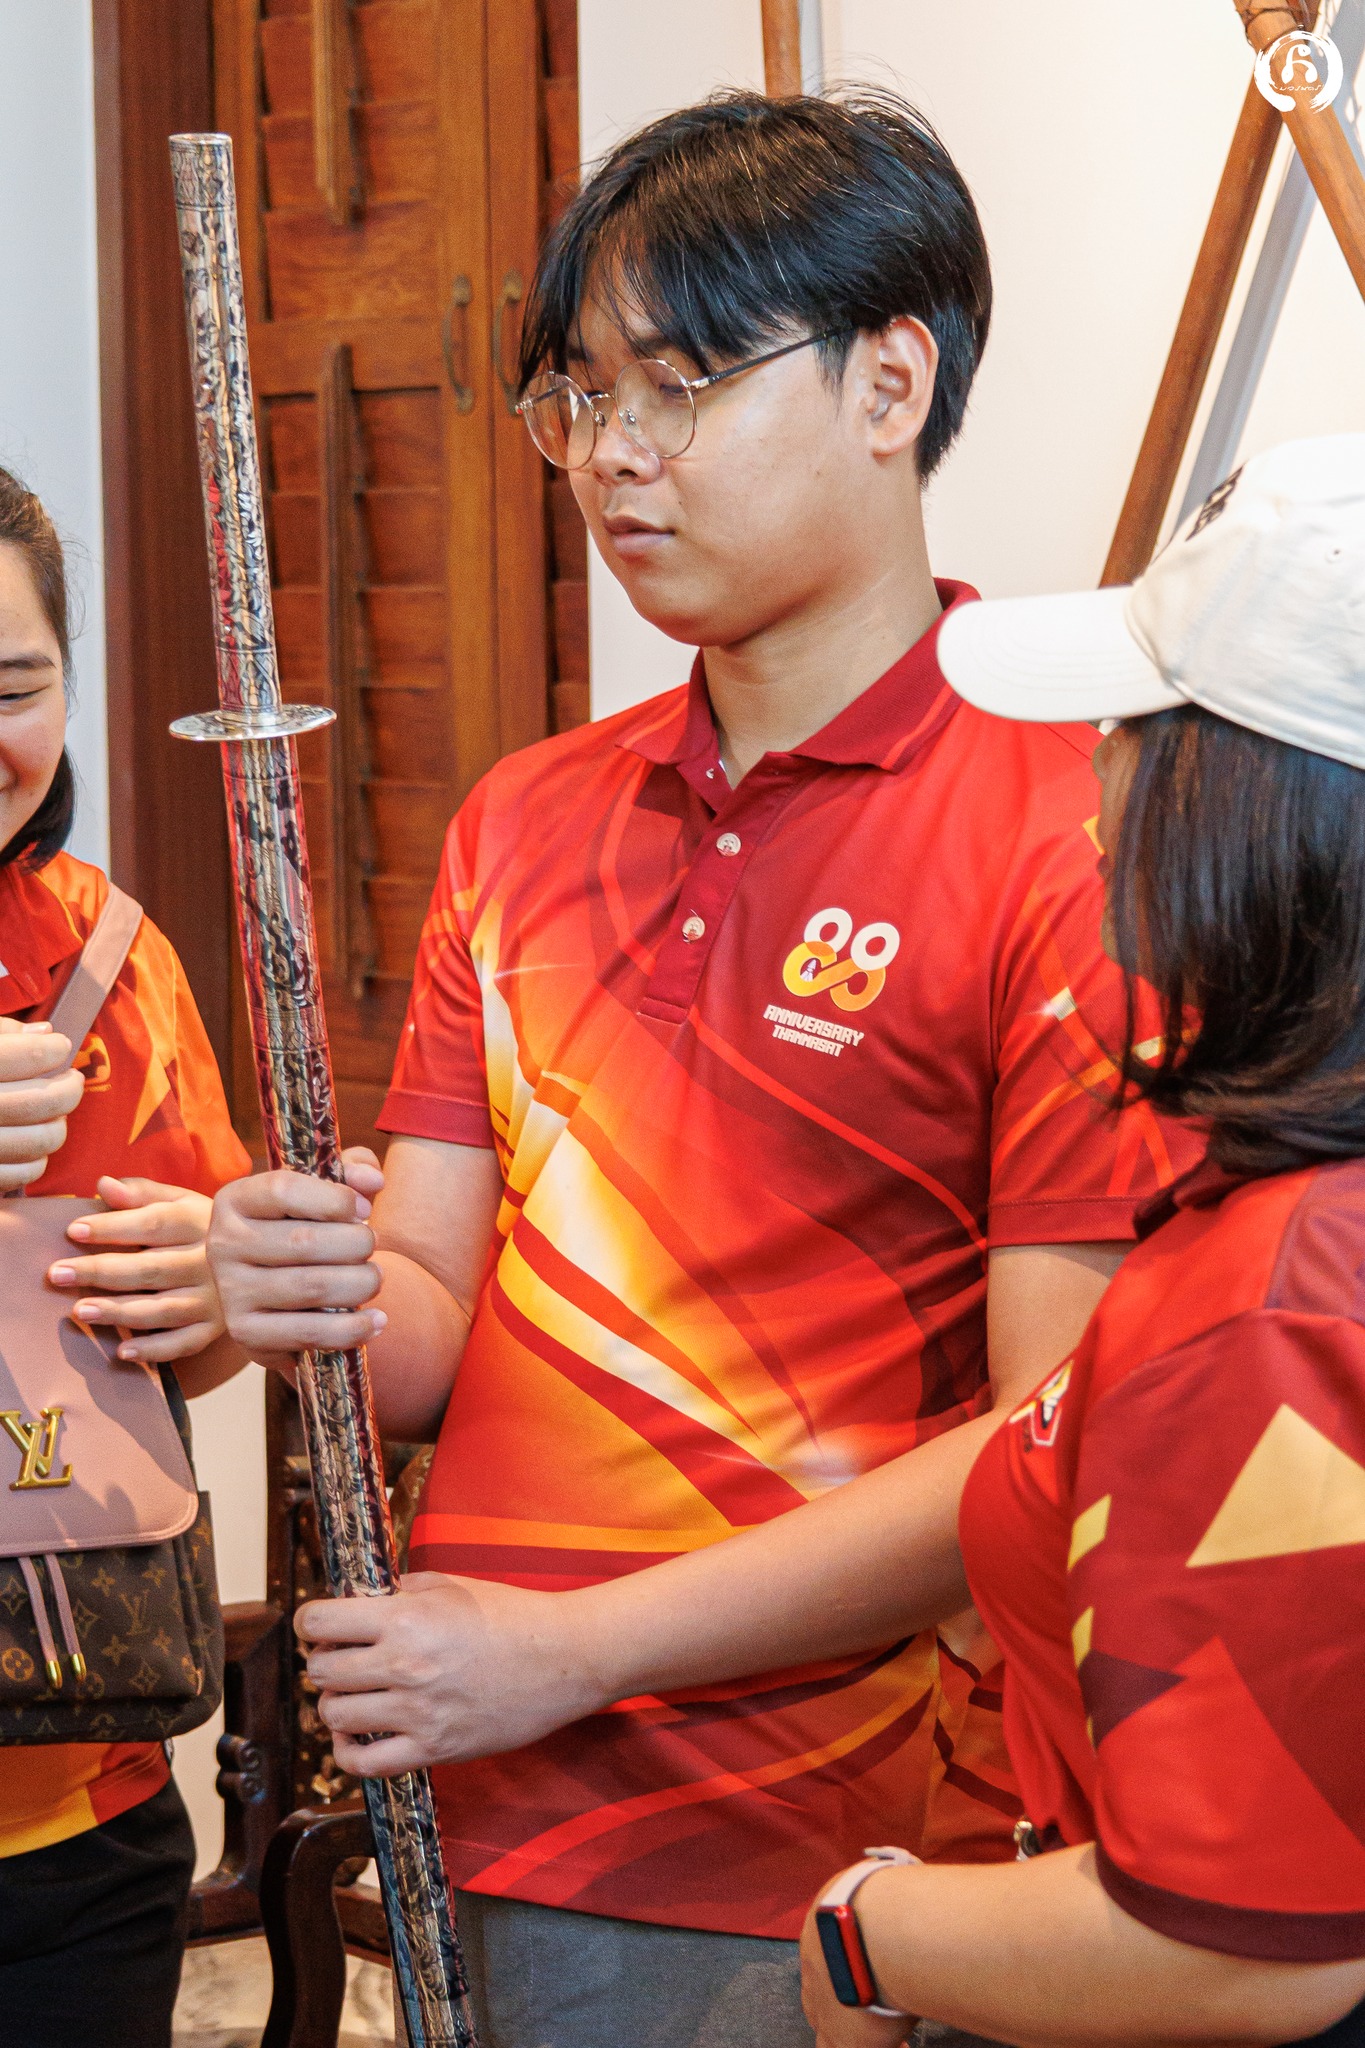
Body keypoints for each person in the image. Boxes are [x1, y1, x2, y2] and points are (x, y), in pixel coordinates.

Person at [208, 91, 1196, 2047]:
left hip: (828, 1843)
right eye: (578, 394)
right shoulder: (521, 818)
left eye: (677, 385)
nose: (610, 455)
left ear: (889, 383)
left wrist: (567, 1652)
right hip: (472, 1788)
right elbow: (420, 1323)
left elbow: (1047, 1437)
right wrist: (291, 1289)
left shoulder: (1072, 829)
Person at [794, 435, 1365, 2047]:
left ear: (1256, 803)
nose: (1094, 774)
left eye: (1134, 728)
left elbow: (1240, 1946)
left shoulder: (1275, 1298)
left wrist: (869, 1932)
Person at [0, 467, 251, 2048]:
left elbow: (184, 1358)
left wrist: (222, 1286)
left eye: (12, 688)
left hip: (76, 1813)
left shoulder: (107, 959)